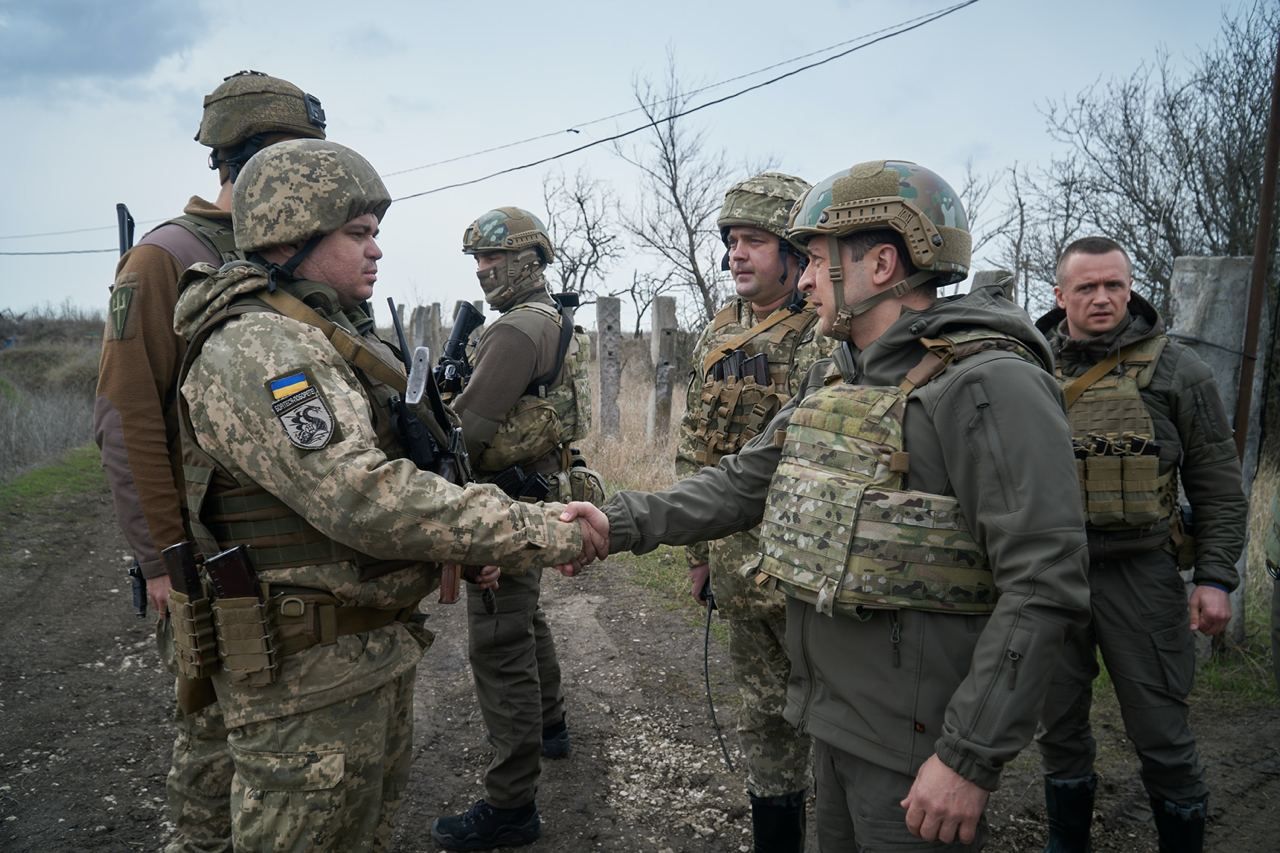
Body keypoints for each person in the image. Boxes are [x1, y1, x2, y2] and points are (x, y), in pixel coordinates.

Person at [559, 160, 1091, 850]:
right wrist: (621, 520)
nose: (804, 279)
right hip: (835, 722)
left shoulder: (989, 386)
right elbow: (745, 480)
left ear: (881, 263)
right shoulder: (837, 375)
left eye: (814, 259)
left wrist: (968, 756)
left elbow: (1045, 582)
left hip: (915, 749)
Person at [172, 139, 598, 851]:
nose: (376, 251)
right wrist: (540, 529)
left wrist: (463, 546)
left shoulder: (317, 333)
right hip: (304, 681)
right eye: (358, 234)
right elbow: (362, 495)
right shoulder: (262, 348)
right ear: (293, 233)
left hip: (353, 657)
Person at [93, 69, 327, 853]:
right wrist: (161, 559)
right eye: (299, 159)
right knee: (213, 758)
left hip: (297, 561)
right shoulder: (165, 258)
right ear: (252, 159)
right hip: (211, 557)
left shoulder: (291, 252)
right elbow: (126, 416)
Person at [1032, 236, 1248, 853]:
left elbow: (1217, 483)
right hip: (1051, 575)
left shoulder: (1179, 370)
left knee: (1162, 730)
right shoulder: (1027, 366)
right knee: (1058, 726)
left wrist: (1214, 578)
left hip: (1142, 574)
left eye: (1115, 286)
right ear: (1059, 295)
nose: (1103, 298)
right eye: (1087, 287)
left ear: (1130, 288)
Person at [431, 207, 601, 851]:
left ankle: (511, 806)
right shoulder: (553, 319)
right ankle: (551, 727)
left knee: (499, 645)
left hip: (503, 502)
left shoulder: (514, 333)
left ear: (527, 259)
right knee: (526, 622)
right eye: (477, 261)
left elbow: (466, 436)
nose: (483, 272)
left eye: (493, 260)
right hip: (537, 492)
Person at [674, 171, 829, 851]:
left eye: (755, 241)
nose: (738, 253)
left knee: (835, 720)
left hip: (805, 575)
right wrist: (698, 552)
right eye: (732, 241)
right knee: (764, 720)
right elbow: (693, 445)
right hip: (738, 569)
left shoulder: (822, 337)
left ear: (795, 254)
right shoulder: (718, 331)